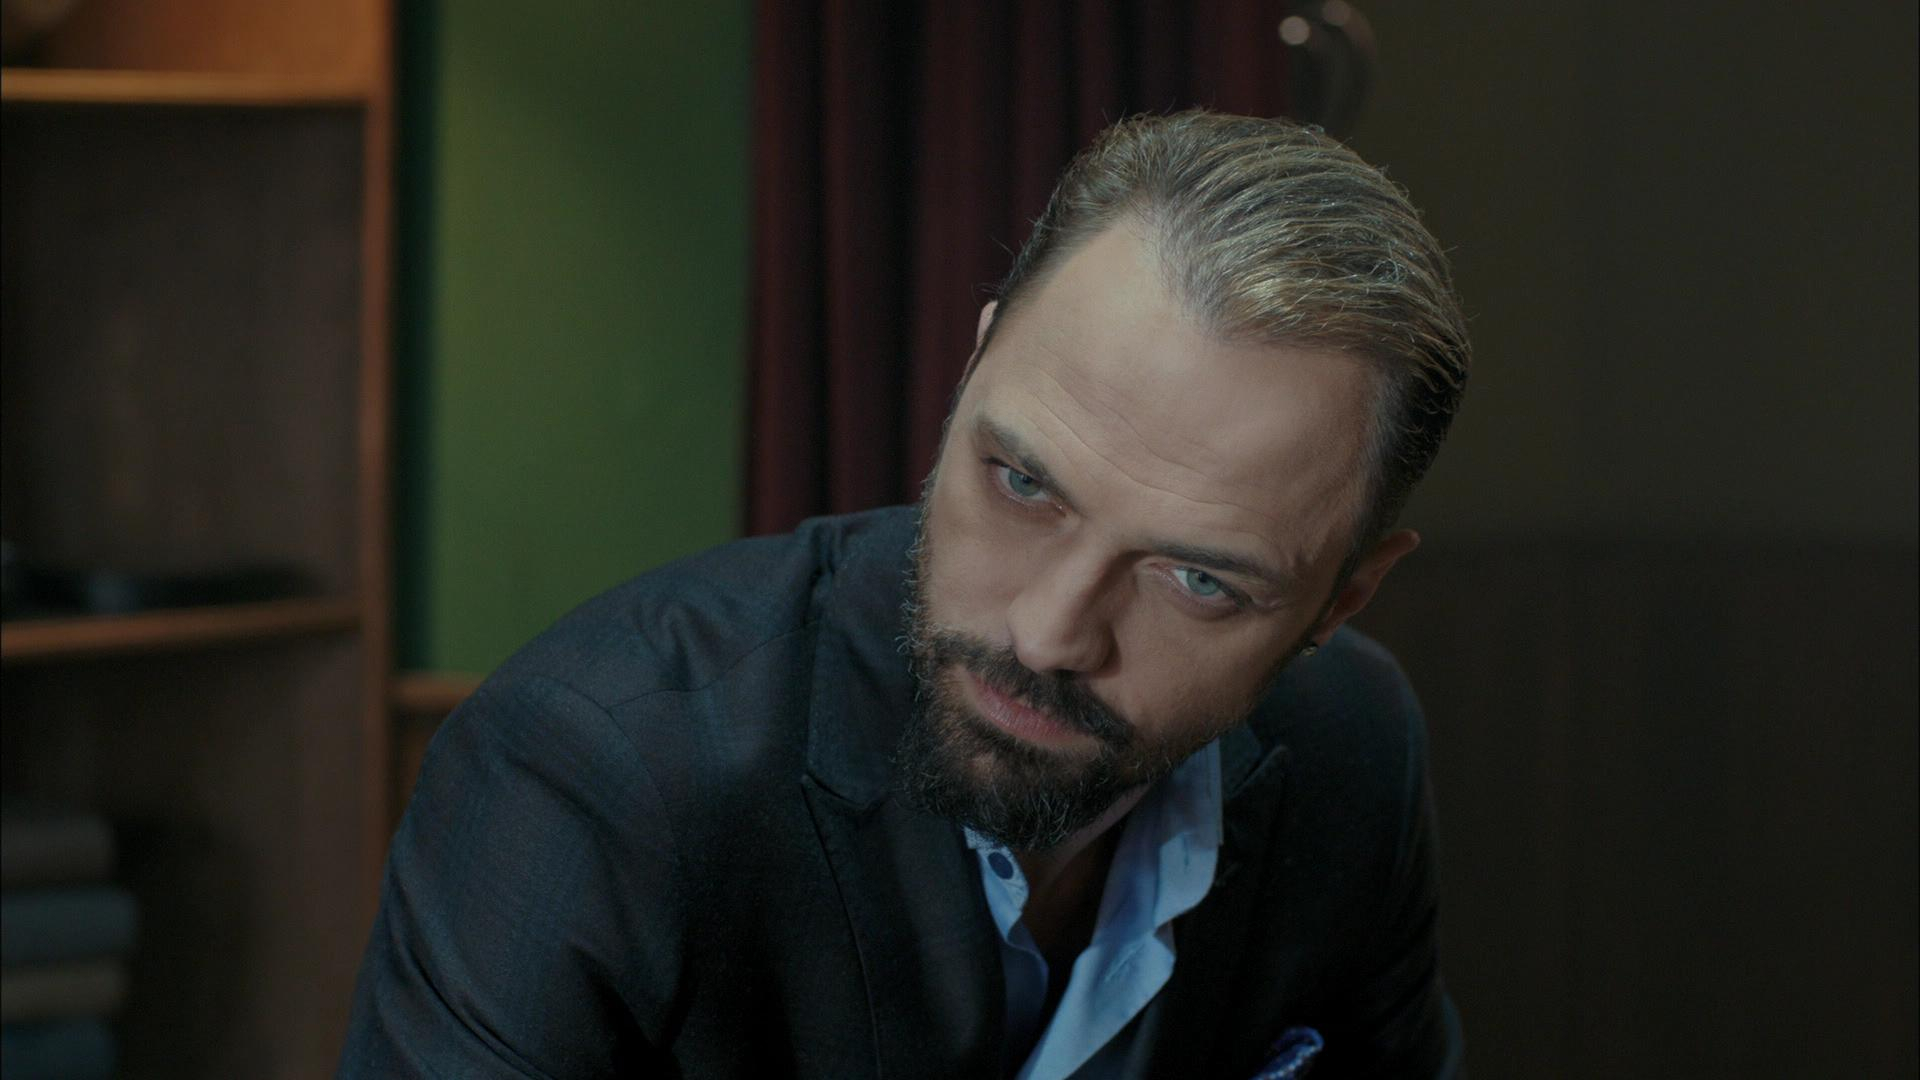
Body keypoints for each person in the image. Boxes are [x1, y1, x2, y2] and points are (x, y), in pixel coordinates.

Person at [340, 110, 1471, 1079]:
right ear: (973, 367)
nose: (1048, 633)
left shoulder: (1356, 747)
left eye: (1199, 580)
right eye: (1023, 483)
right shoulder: (595, 773)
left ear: (1341, 602)